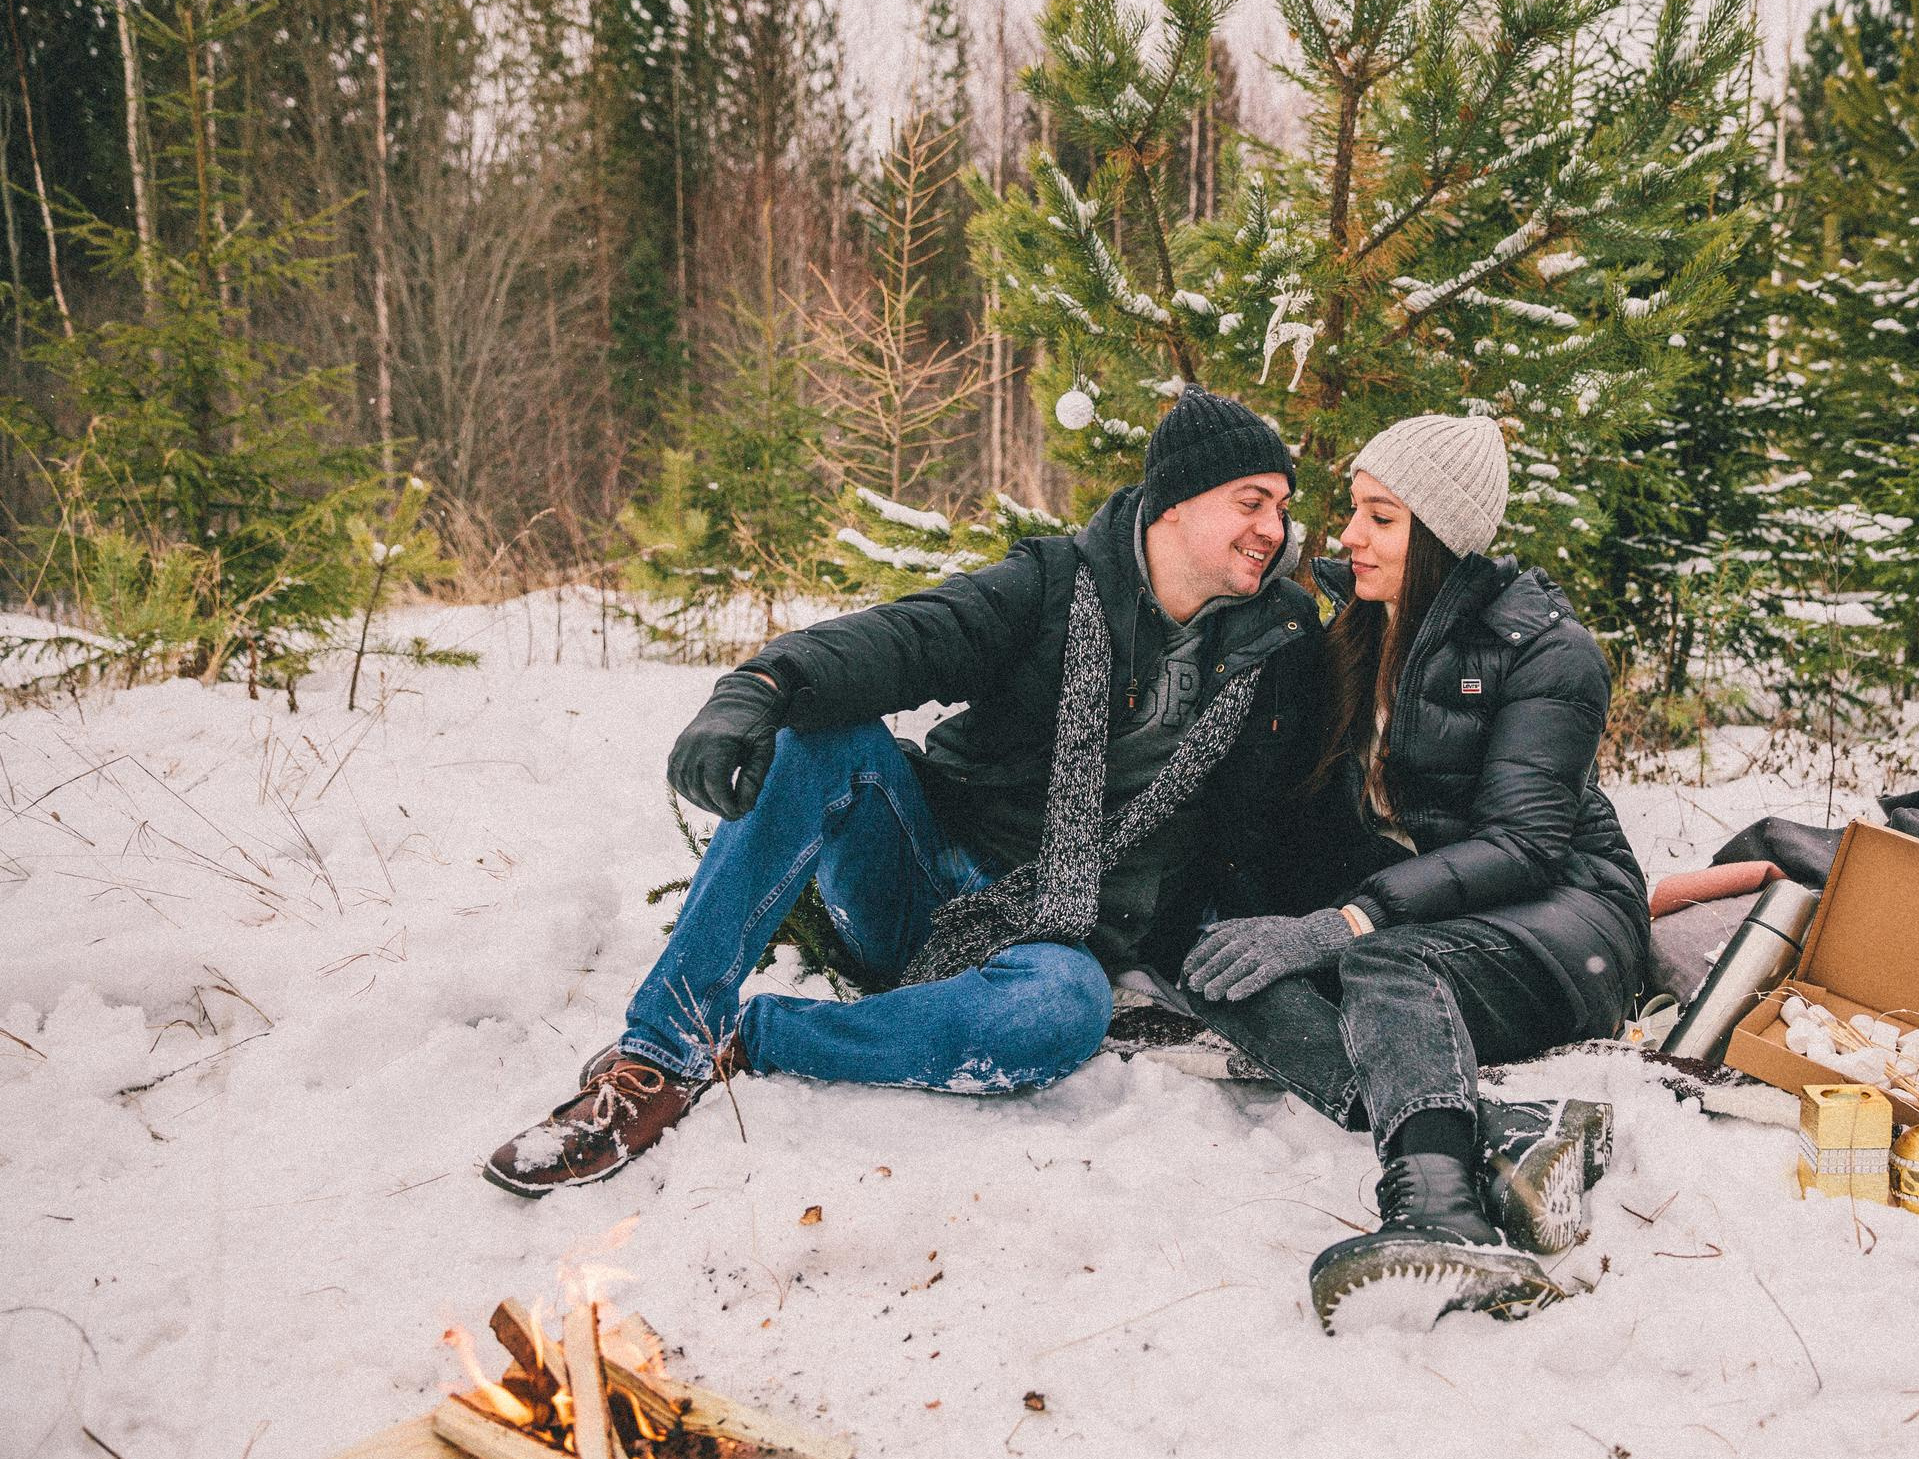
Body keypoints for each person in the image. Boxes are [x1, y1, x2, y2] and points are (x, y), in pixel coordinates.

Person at [485, 387, 1325, 1196]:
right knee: (824, 740)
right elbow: (909, 637)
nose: (1272, 528)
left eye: (1281, 509)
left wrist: (1340, 926)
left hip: (1061, 940)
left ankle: (764, 1038)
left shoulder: (1275, 643)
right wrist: (762, 686)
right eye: (1251, 502)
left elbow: (1289, 816)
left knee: (1066, 1011)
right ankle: (660, 1052)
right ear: (1175, 502)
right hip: (928, 874)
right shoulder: (1053, 585)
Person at [1181, 413, 1652, 1330]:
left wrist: (1350, 921)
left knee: (1380, 964)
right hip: (1439, 912)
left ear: (1441, 533)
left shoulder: (1547, 650)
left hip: (1568, 914)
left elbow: (1524, 843)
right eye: (1354, 510)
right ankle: (1501, 1129)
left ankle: (1440, 1207)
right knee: (1225, 964)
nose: (1349, 535)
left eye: (1381, 517)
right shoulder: (1359, 629)